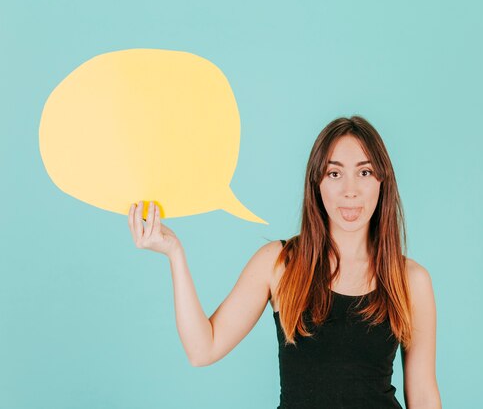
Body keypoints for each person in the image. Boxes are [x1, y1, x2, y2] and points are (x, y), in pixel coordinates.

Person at [128, 115, 442, 409]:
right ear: (317, 183)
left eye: (364, 172)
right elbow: (202, 349)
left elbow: (424, 395)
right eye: (335, 173)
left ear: (381, 181)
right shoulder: (278, 264)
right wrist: (175, 254)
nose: (350, 190)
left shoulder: (410, 279)